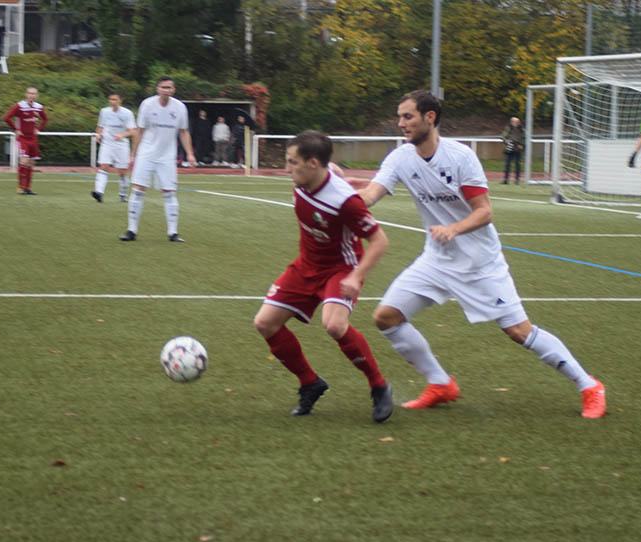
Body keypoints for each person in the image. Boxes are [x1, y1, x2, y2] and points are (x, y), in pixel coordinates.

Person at [357, 90, 605, 419]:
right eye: (399, 117)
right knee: (386, 317)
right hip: (436, 260)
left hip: (480, 263)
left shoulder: (460, 157)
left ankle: (589, 385)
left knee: (519, 331)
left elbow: (484, 212)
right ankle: (441, 383)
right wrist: (337, 196)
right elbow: (371, 194)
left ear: (430, 118)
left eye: (408, 117)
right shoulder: (400, 158)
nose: (401, 123)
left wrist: (454, 229)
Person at [253, 131, 393, 422]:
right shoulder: (308, 176)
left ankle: (378, 385)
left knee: (333, 325)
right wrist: (339, 173)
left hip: (341, 268)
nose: (287, 169)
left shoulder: (346, 202)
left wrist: (356, 277)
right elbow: (333, 169)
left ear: (313, 163)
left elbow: (380, 241)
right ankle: (310, 383)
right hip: (306, 265)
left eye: (293, 162)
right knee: (265, 323)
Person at [120, 76, 195, 243]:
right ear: (157, 89)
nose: (166, 90)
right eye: (163, 87)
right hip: (147, 153)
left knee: (169, 191)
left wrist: (190, 153)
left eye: (169, 87)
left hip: (167, 155)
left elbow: (183, 131)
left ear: (173, 90)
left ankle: (173, 233)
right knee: (139, 189)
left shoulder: (180, 107)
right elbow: (139, 130)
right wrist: (133, 154)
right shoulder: (147, 104)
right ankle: (131, 230)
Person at [3, 87, 49, 195]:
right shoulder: (20, 106)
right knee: (24, 161)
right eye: (30, 93)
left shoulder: (38, 107)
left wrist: (39, 129)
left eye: (34, 94)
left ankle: (27, 188)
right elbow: (7, 118)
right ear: (26, 94)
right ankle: (20, 187)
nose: (32, 95)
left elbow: (45, 119)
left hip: (33, 138)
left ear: (37, 95)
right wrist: (16, 129)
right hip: (23, 138)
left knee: (31, 163)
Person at [92, 92, 135, 203]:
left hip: (121, 144)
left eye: (115, 99)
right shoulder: (104, 111)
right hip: (107, 143)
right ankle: (99, 193)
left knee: (122, 172)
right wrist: (98, 135)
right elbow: (100, 126)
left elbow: (132, 131)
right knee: (104, 166)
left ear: (120, 100)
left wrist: (122, 135)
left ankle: (123, 195)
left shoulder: (127, 113)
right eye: (110, 99)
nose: (112, 102)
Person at [501, 116, 524, 184]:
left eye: (517, 122)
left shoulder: (522, 130)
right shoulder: (508, 129)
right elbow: (503, 137)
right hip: (510, 148)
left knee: (517, 164)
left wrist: (522, 145)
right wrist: (507, 141)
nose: (516, 123)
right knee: (507, 164)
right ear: (512, 122)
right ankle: (506, 179)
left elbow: (524, 138)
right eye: (515, 121)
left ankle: (517, 180)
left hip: (517, 149)